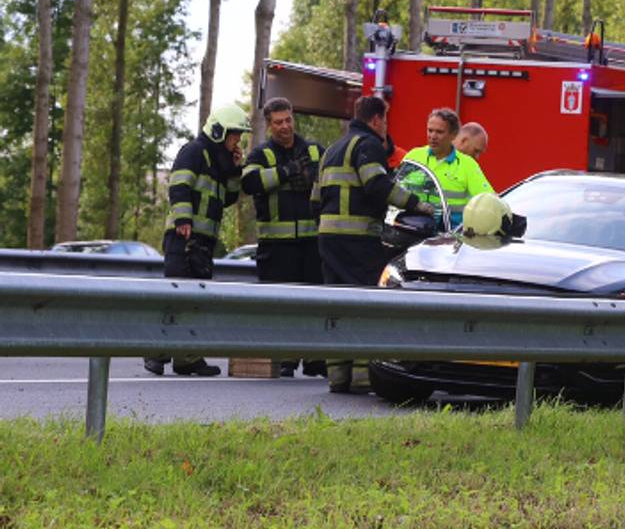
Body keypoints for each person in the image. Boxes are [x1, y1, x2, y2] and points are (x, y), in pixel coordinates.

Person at [314, 95, 428, 392]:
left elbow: (315, 199)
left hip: (328, 240)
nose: (386, 125)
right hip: (358, 240)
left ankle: (337, 377)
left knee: (335, 306)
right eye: (385, 120)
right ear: (376, 120)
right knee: (366, 303)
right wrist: (416, 204)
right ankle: (363, 376)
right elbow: (377, 186)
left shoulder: (331, 149)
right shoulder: (368, 145)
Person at [144, 104, 251, 377]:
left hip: (203, 240)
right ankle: (155, 353)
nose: (237, 140)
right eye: (234, 135)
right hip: (183, 237)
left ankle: (186, 358)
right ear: (219, 131)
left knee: (195, 299)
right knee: (177, 296)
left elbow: (227, 199)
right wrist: (183, 220)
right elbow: (179, 185)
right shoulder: (193, 151)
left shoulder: (218, 162)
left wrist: (235, 170)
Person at [240, 97, 326, 378]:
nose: (285, 126)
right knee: (282, 305)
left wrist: (313, 177)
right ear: (268, 125)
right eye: (278, 122)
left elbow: (333, 177)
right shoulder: (261, 154)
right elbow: (250, 182)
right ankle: (286, 358)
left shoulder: (314, 150)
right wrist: (286, 172)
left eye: (288, 120)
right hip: (277, 247)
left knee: (314, 303)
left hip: (312, 244)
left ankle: (314, 359)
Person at [403, 108, 494, 227]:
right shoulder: (413, 156)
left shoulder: (468, 165)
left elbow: (489, 200)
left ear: (453, 135)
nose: (433, 136)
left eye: (439, 132)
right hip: (407, 230)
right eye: (430, 130)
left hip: (447, 237)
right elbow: (394, 190)